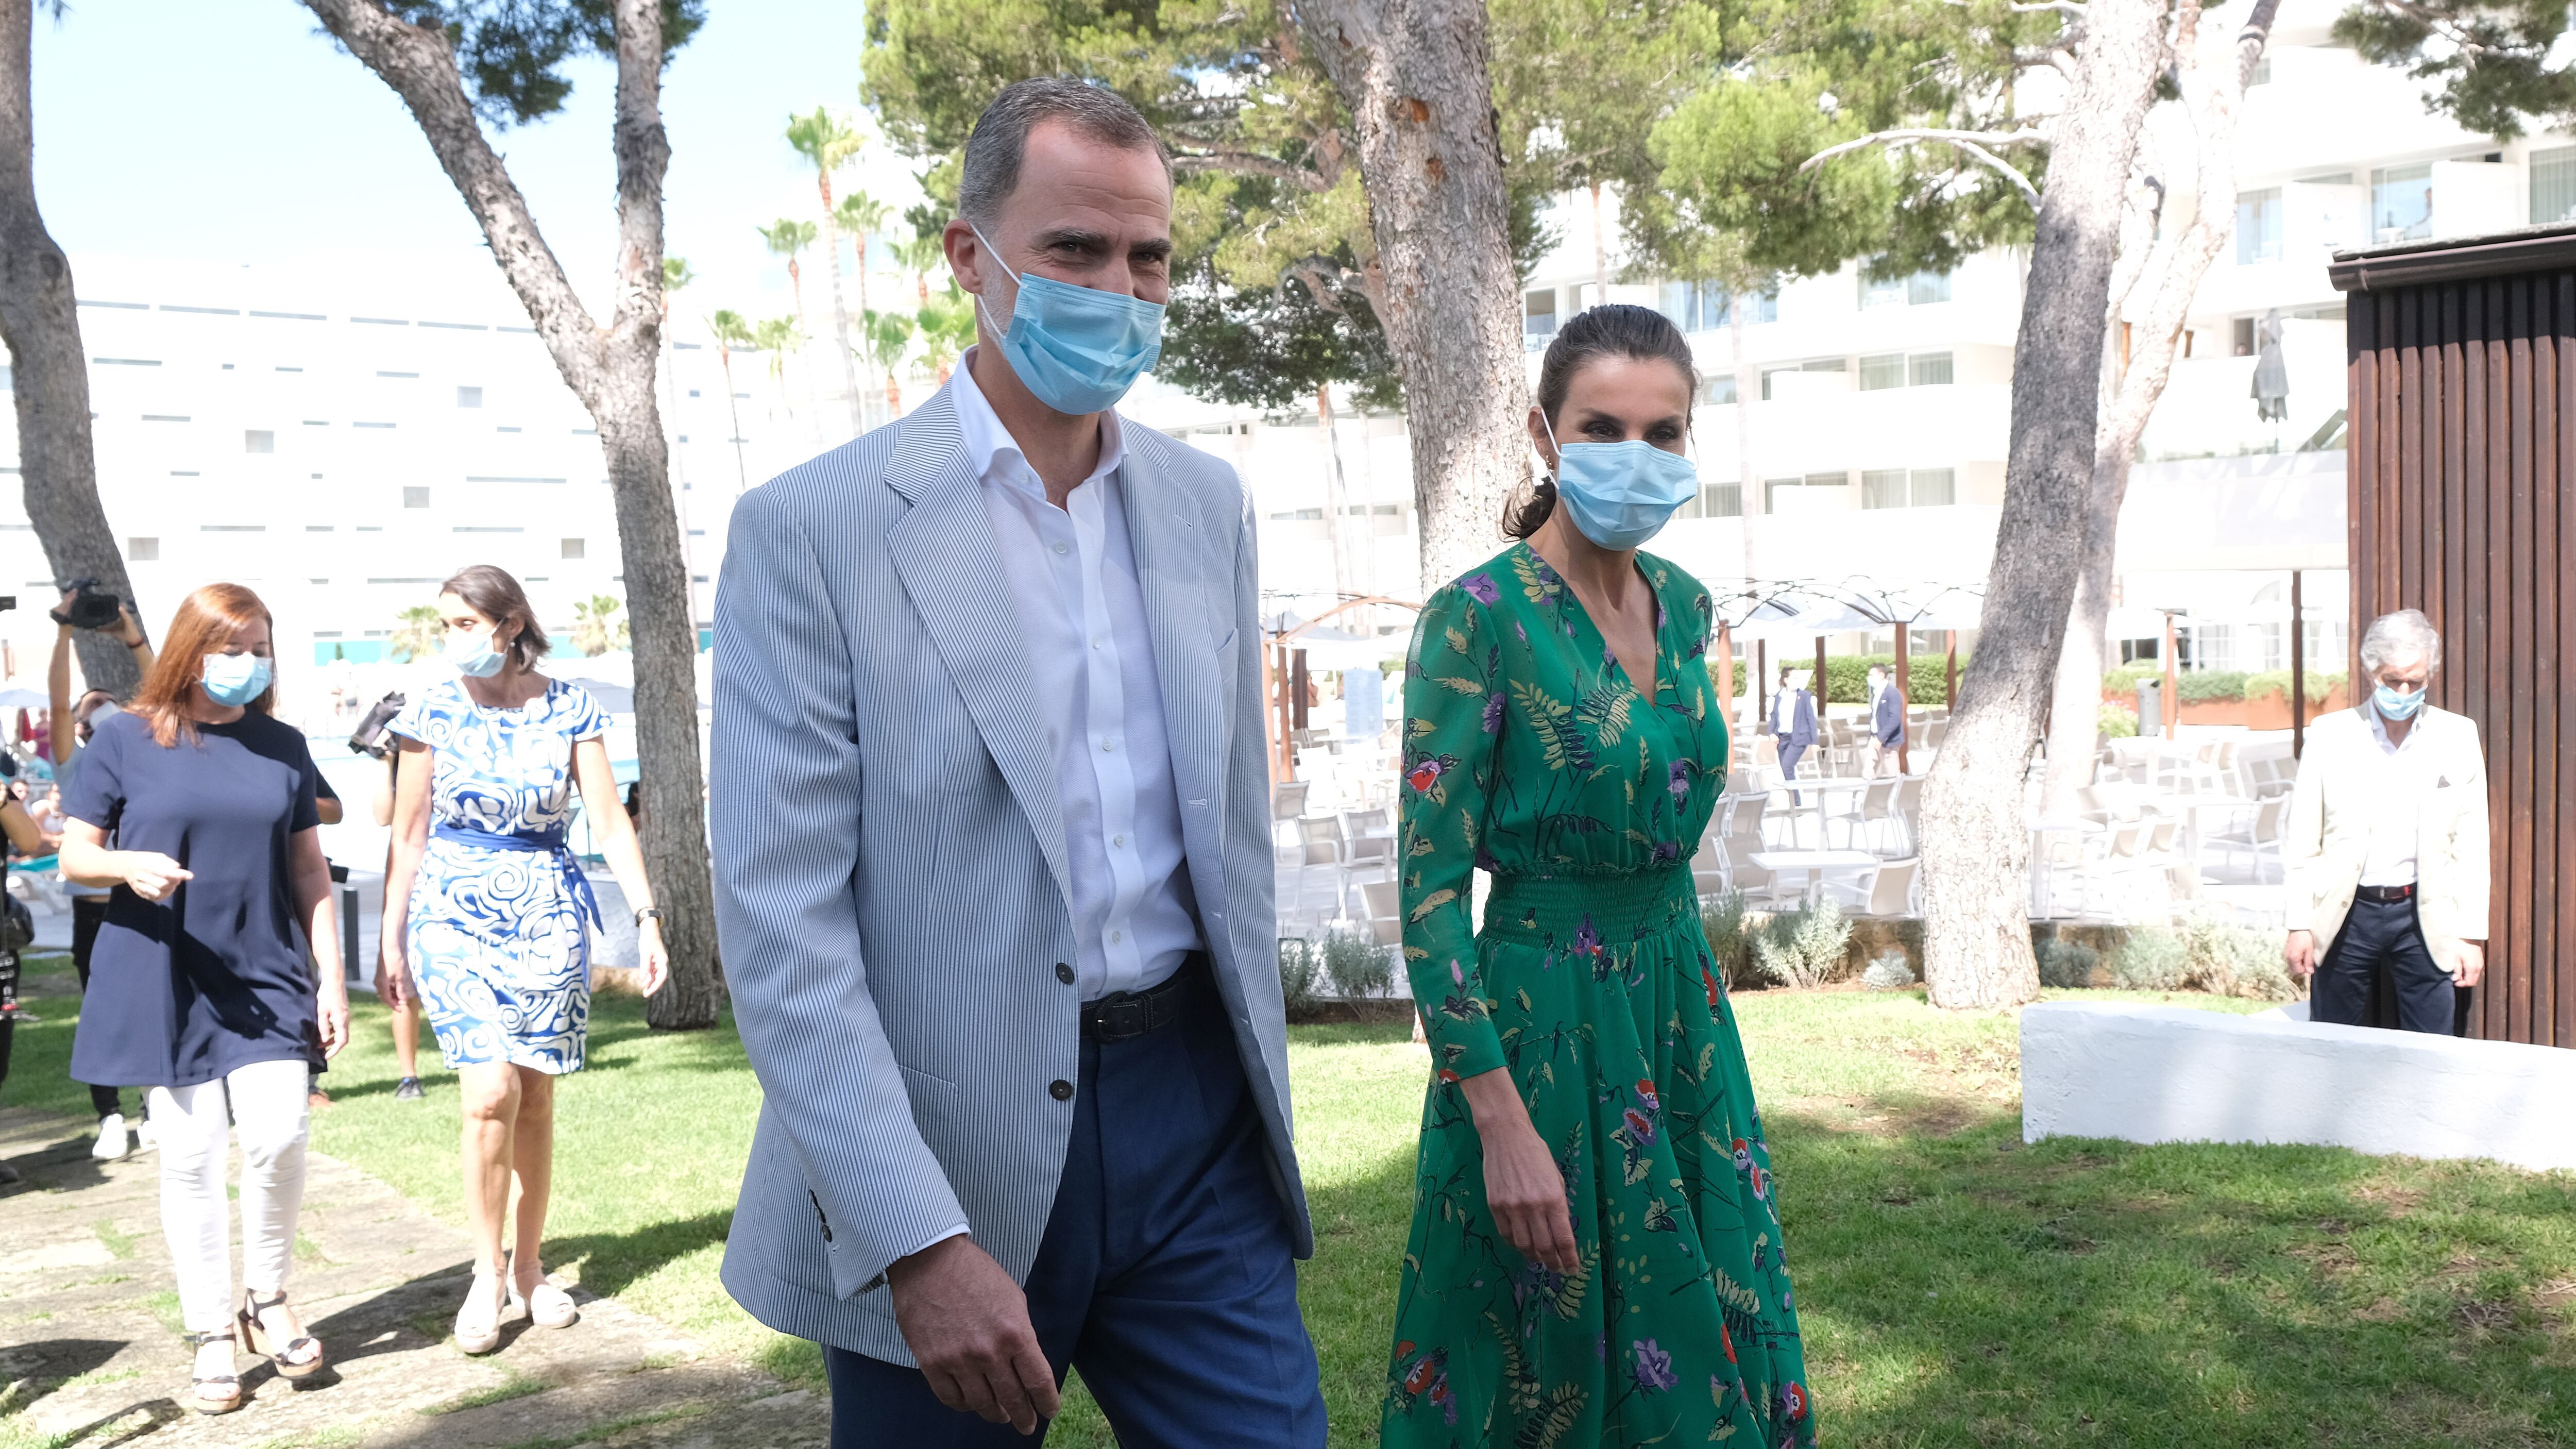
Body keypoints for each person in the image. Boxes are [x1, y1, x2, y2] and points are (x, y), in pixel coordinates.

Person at [711, 77, 1323, 1449]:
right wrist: (915, 1237)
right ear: (969, 256)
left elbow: (1228, 833)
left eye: (1149, 257)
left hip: (1192, 1113)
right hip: (944, 1141)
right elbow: (782, 922)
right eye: (1075, 249)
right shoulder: (816, 529)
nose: (1120, 289)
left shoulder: (1206, 504)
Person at [1384, 304, 1816, 1448]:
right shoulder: (1475, 620)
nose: (1636, 454)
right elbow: (1428, 899)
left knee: (1710, 1308)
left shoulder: (1686, 604)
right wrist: (1497, 1121)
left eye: (1662, 431)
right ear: (1545, 434)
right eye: (1602, 428)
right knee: (1548, 1352)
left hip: (1677, 999)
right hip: (1544, 1024)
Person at [57, 583, 348, 1413]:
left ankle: (269, 1296)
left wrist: (330, 975)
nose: (248, 664)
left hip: (267, 971)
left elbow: (308, 869)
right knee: (189, 1156)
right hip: (164, 969)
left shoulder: (282, 745)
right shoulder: (125, 737)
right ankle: (211, 1330)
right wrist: (127, 866)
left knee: (280, 1135)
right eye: (232, 649)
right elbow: (75, 855)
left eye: (259, 649)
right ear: (191, 651)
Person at [378, 564, 670, 1353]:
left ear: (509, 626)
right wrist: (390, 937)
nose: (451, 640)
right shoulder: (429, 709)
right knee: (489, 1093)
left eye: (464, 625)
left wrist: (646, 920)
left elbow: (610, 822)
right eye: (445, 626)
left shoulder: (569, 705)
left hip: (547, 915)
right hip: (452, 914)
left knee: (535, 1099)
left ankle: (531, 1269)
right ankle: (486, 1271)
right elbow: (407, 833)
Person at [2282, 608, 2490, 1033]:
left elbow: (2471, 845)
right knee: (2331, 1040)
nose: (2404, 691)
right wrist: (2299, 924)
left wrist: (2471, 935)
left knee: (2434, 1045)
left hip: (2425, 913)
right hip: (2347, 913)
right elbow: (2304, 840)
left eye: (2416, 681)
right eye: (2393, 680)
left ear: (2430, 675)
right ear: (2371, 673)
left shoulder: (2457, 736)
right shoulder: (2329, 735)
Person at [47, 590, 157, 1161]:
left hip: (143, 903)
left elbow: (162, 693)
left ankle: (152, 1107)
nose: (104, 705)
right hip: (93, 912)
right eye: (94, 703)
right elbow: (57, 702)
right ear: (82, 724)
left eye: (112, 699)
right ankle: (109, 1115)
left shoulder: (144, 751)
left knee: (153, 1005)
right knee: (102, 1014)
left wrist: (134, 638)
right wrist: (64, 629)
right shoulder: (75, 765)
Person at [367, 742, 427, 1101]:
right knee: (401, 977)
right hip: (408, 874)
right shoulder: (400, 765)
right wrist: (385, 760)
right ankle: (409, 1075)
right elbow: (382, 816)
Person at [1772, 665, 1817, 801]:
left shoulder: (1804, 696)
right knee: (1785, 769)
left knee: (1787, 766)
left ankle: (1796, 800)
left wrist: (1815, 741)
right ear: (1786, 680)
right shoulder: (1779, 696)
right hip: (1783, 738)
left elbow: (1810, 717)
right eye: (1795, 678)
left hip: (1798, 738)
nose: (1798, 681)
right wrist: (1771, 732)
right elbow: (1774, 715)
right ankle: (1793, 799)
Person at [1866, 662, 1904, 777]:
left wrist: (1881, 738)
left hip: (1889, 741)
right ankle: (1869, 786)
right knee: (1868, 772)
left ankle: (1896, 788)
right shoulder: (1877, 693)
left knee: (1893, 774)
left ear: (1882, 675)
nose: (1869, 678)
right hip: (1874, 737)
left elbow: (1895, 718)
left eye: (1872, 675)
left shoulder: (1892, 693)